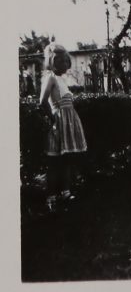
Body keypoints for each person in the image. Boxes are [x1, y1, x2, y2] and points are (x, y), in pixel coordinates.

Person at [39, 43, 87, 212]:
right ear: (52, 62)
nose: (65, 65)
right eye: (60, 62)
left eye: (66, 61)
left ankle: (65, 192)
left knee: (67, 160)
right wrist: (53, 120)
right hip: (59, 124)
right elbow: (43, 101)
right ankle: (51, 197)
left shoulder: (62, 79)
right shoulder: (50, 77)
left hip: (69, 123)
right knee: (54, 162)